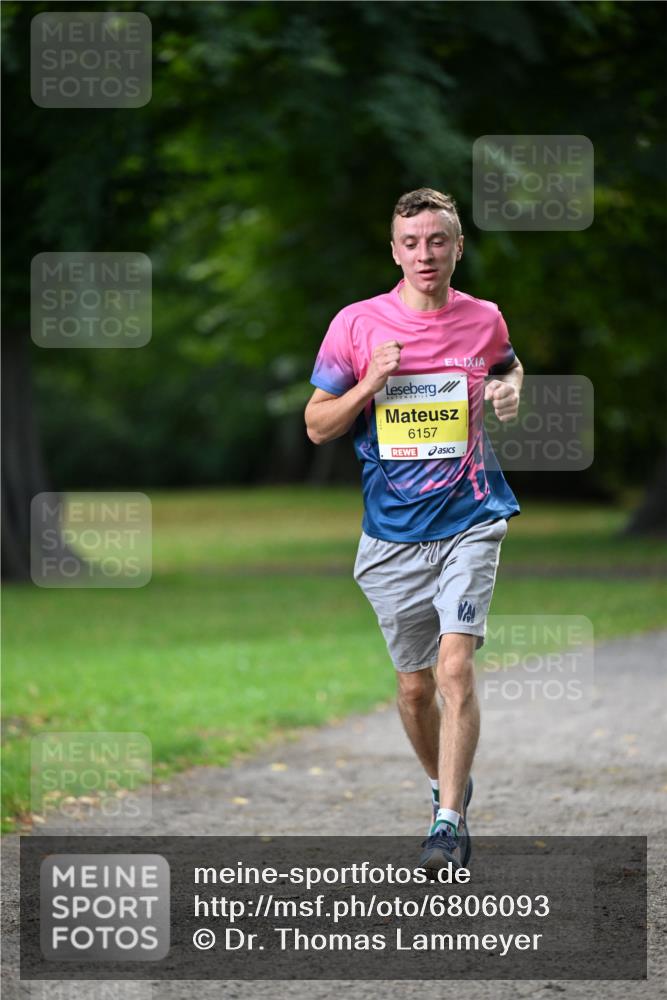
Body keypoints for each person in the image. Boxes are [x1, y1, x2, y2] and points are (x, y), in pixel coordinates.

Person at [304, 187, 523, 872]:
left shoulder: (483, 318)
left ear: (457, 247)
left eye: (437, 241)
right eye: (410, 242)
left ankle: (448, 821)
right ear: (393, 250)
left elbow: (507, 366)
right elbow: (316, 425)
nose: (424, 254)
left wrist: (514, 388)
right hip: (392, 535)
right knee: (413, 689)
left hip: (471, 518)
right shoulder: (357, 324)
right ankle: (444, 786)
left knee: (454, 667)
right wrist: (367, 383)